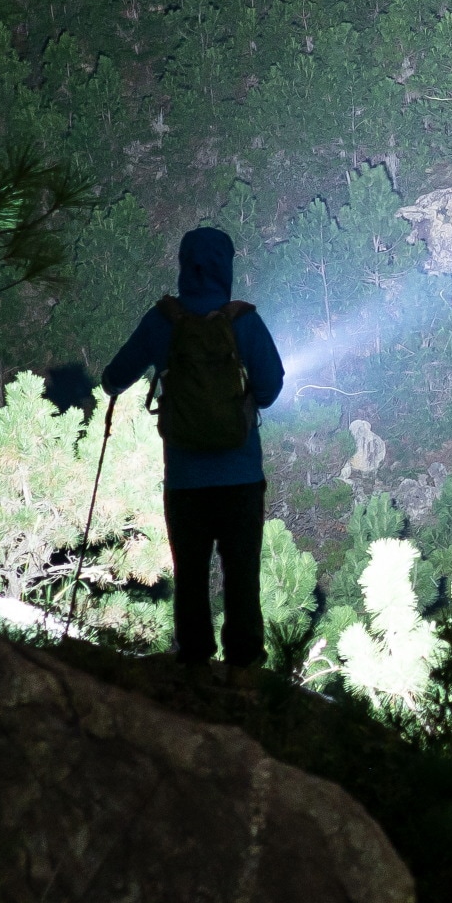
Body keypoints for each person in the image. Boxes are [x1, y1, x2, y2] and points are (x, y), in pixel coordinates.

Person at [101, 227, 286, 669]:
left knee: (191, 575)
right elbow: (272, 386)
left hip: (185, 480)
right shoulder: (243, 322)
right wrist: (240, 404)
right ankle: (243, 668)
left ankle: (194, 662)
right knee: (241, 576)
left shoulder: (163, 321)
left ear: (185, 265)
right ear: (226, 267)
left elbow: (115, 377)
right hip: (240, 477)